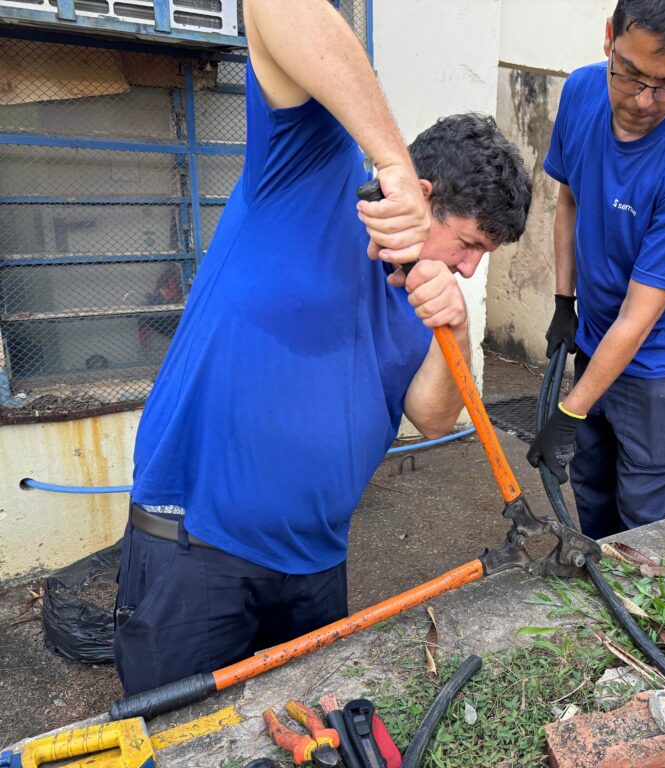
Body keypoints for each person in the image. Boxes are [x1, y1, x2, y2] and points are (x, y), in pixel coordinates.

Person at [114, 0, 531, 695]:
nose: (468, 269)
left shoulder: (423, 298)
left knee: (302, 736)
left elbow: (432, 418)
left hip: (314, 567)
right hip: (197, 551)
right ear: (420, 197)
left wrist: (455, 329)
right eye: (469, 245)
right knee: (176, 741)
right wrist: (390, 160)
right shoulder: (308, 170)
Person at [527, 0, 665, 540]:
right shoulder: (581, 93)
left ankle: (644, 619)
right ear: (608, 38)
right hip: (598, 334)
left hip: (663, 360)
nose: (644, 100)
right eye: (631, 74)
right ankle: (599, 601)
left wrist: (569, 413)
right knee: (592, 488)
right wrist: (563, 301)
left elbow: (641, 318)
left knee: (650, 525)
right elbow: (569, 201)